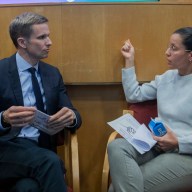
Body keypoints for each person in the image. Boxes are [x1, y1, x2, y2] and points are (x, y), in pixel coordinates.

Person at [0, 12, 82, 192]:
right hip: (6, 149)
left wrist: (70, 117)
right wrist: (3, 118)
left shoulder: (52, 74)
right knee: (52, 162)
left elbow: (74, 114)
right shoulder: (1, 71)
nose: (50, 42)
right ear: (23, 42)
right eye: (42, 37)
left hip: (39, 148)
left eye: (49, 35)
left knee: (28, 188)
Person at [107, 27, 192, 192]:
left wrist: (178, 143)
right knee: (116, 146)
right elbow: (134, 95)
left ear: (190, 55)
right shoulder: (166, 78)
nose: (167, 52)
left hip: (185, 154)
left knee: (116, 188)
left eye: (174, 48)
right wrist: (129, 60)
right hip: (157, 146)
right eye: (168, 46)